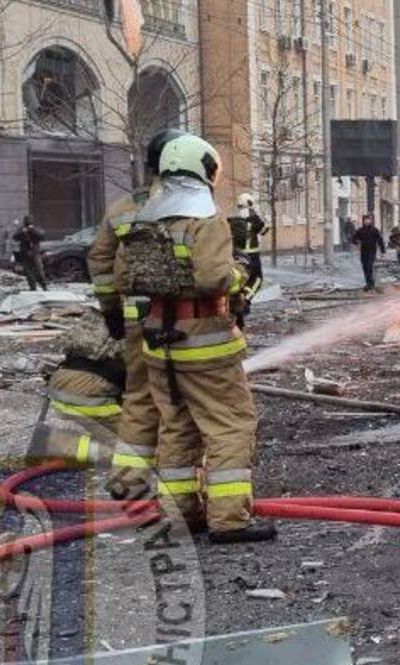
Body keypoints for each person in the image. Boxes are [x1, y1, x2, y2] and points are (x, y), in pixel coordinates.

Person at [122, 132, 274, 545]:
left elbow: (126, 278)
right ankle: (229, 521)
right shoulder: (205, 221)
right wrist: (241, 271)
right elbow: (213, 279)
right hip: (205, 343)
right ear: (203, 170)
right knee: (231, 426)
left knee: (177, 428)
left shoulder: (145, 219)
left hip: (160, 345)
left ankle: (180, 515)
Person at [87, 128, 181, 497]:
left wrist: (111, 310)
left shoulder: (124, 208)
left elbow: (99, 260)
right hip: (180, 320)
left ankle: (128, 481)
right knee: (179, 402)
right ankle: (180, 491)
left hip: (134, 320)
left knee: (139, 397)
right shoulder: (190, 208)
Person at [26, 315, 125, 468]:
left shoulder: (115, 315)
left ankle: (55, 439)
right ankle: (54, 444)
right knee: (136, 455)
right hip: (88, 390)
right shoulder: (149, 330)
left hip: (63, 379)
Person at [231, 193, 266, 290]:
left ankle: (239, 299)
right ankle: (246, 300)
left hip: (238, 255)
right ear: (250, 203)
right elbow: (263, 231)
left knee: (242, 278)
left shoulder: (234, 219)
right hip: (253, 255)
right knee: (257, 279)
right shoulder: (254, 218)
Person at [352, 214, 386, 292]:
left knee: (369, 266)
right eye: (365, 220)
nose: (367, 221)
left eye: (368, 220)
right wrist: (356, 242)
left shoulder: (374, 230)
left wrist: (382, 251)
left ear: (371, 221)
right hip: (363, 251)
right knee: (365, 267)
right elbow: (354, 238)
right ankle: (368, 283)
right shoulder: (360, 230)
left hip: (372, 251)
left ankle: (371, 283)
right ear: (363, 221)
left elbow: (380, 240)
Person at [12, 216, 46, 291]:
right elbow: (15, 237)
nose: (28, 222)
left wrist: (32, 230)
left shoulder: (36, 228)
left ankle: (44, 286)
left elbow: (42, 236)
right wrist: (22, 232)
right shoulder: (22, 229)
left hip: (35, 252)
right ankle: (32, 287)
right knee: (28, 272)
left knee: (39, 270)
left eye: (29, 220)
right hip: (25, 253)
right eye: (27, 221)